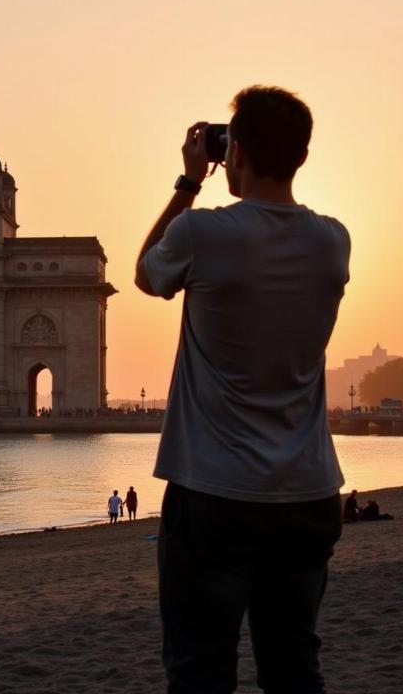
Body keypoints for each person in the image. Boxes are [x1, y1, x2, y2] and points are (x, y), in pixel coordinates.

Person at [136, 86, 350, 693]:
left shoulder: (203, 234)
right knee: (294, 667)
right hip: (309, 492)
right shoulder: (334, 241)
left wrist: (188, 181)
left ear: (237, 152)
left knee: (201, 671)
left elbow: (146, 271)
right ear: (301, 156)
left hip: (214, 495)